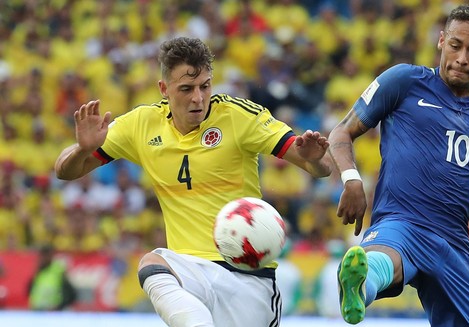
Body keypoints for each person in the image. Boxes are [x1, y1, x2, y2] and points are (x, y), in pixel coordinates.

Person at [54, 36, 333, 327]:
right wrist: (82, 149)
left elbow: (320, 168)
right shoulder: (141, 124)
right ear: (164, 89)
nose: (198, 98)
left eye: (205, 86)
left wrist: (314, 159)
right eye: (186, 89)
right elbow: (66, 170)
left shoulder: (240, 117)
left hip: (248, 277)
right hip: (189, 270)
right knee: (153, 264)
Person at [328, 5, 469, 326]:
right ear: (441, 41)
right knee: (381, 262)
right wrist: (352, 179)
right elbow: (341, 131)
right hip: (402, 221)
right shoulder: (404, 80)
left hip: (453, 242)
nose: (462, 57)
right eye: (455, 45)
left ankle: (363, 280)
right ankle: (359, 285)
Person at [27, 244, 77, 311]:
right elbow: (29, 291)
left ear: (50, 256)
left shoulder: (58, 271)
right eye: (41, 255)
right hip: (37, 311)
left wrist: (59, 307)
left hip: (52, 313)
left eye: (45, 255)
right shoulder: (38, 272)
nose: (42, 258)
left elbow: (71, 294)